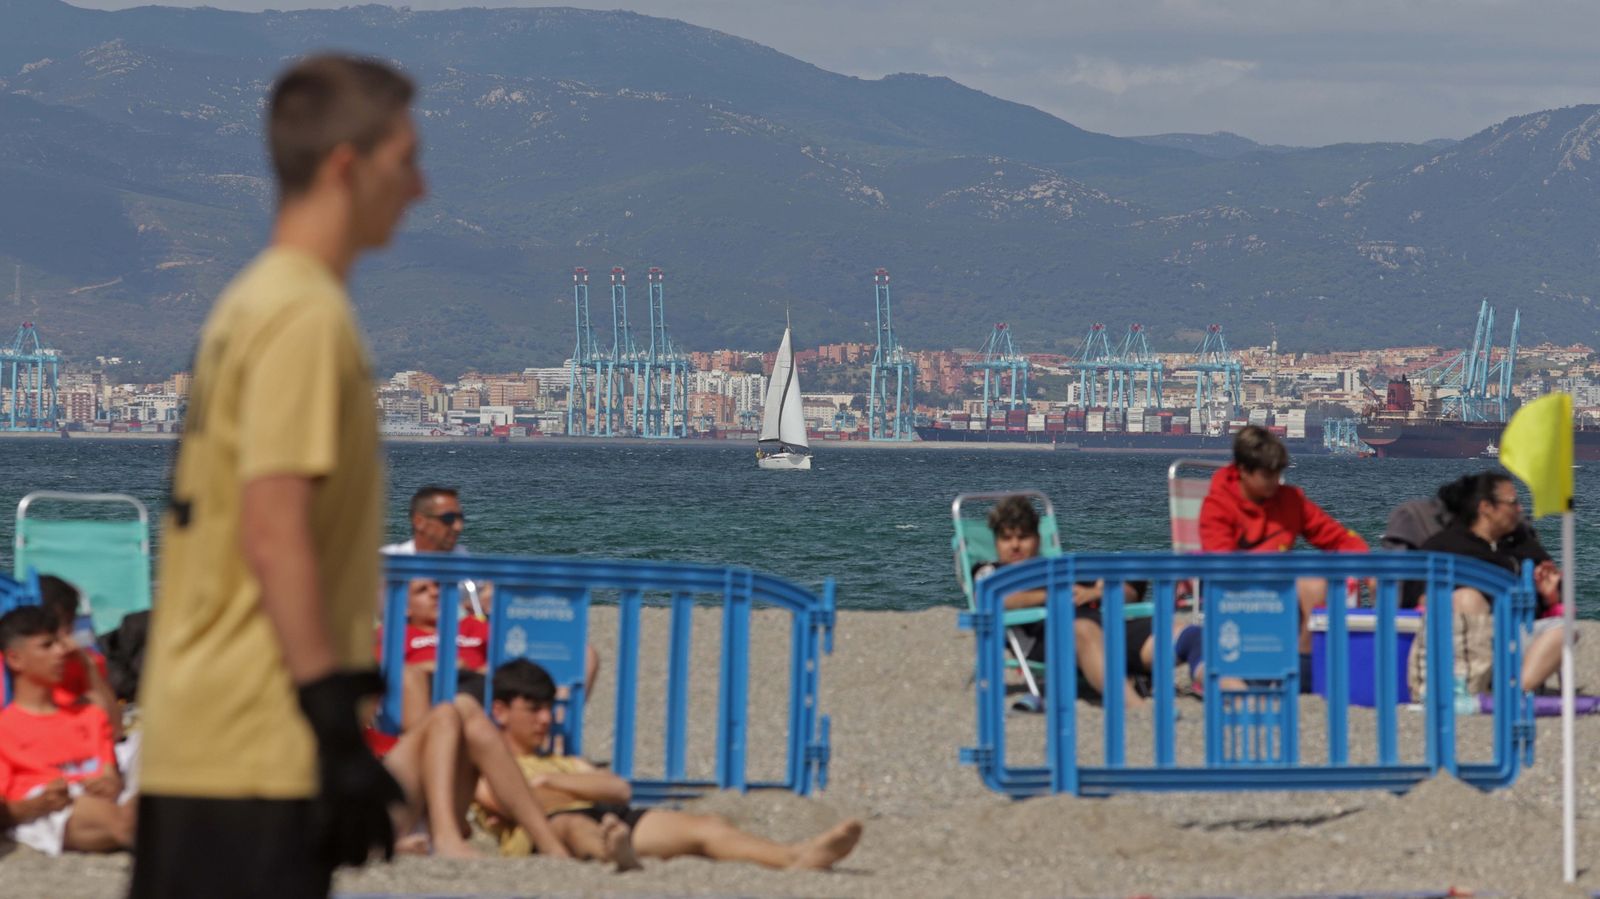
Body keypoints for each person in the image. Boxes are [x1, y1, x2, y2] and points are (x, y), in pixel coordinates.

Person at [130, 54, 426, 899]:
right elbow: (273, 524)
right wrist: (332, 723)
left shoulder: (253, 300)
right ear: (346, 166)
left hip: (210, 731)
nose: (420, 188)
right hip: (254, 741)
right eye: (405, 159)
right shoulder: (302, 314)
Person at [475, 659, 863, 870]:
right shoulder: (488, 765)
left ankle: (793, 856)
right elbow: (509, 801)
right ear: (501, 711)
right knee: (573, 825)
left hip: (612, 816)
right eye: (534, 710)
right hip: (549, 832)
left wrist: (546, 781)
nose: (545, 719)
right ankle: (615, 855)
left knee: (708, 827)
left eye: (548, 709)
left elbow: (618, 789)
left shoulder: (560, 760)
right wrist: (561, 788)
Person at [971, 495, 1204, 706]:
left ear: (1037, 539)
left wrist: (1097, 593)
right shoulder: (990, 572)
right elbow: (994, 598)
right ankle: (1137, 709)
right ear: (996, 542)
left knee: (1190, 634)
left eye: (1023, 537)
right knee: (1083, 629)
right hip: (1050, 640)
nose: (1015, 545)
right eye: (1006, 538)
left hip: (1109, 630)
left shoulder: (1059, 570)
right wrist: (1052, 595)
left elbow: (1130, 592)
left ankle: (1223, 691)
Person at [384, 486, 601, 700]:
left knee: (583, 655)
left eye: (461, 518)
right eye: (449, 518)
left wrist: (489, 598)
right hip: (426, 653)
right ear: (420, 521)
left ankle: (558, 730)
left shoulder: (462, 560)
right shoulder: (391, 561)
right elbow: (379, 615)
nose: (458, 526)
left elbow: (486, 598)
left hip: (476, 648)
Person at [1199, 425, 1369, 691]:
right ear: (1243, 470)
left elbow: (1336, 537)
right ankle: (1301, 671)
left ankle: (1304, 667)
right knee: (1311, 585)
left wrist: (1370, 571)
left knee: (1317, 585)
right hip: (1234, 595)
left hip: (1280, 591)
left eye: (1278, 472)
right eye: (1267, 474)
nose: (1275, 480)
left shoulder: (1289, 500)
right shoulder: (1218, 505)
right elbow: (1222, 564)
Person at [1412, 472, 1567, 693]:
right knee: (1468, 598)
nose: (1520, 509)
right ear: (1486, 507)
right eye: (1513, 503)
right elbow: (1414, 599)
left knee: (1565, 630)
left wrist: (1549, 596)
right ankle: (1471, 688)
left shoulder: (1523, 546)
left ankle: (1509, 694)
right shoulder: (1443, 547)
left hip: (1511, 638)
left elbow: (1548, 605)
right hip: (1455, 647)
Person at [0, 606, 135, 856]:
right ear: (15, 659)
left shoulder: (89, 715)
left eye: (60, 643)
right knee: (128, 821)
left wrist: (110, 781)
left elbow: (108, 766)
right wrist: (31, 806)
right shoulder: (5, 730)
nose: (62, 652)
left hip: (100, 800)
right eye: (47, 645)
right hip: (52, 809)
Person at [379, 699, 569, 859]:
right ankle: (445, 837)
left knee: (467, 708)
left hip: (407, 800)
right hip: (376, 817)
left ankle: (552, 846)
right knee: (444, 713)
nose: (546, 719)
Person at [35, 575, 120, 736]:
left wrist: (88, 667)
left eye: (70, 624)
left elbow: (115, 730)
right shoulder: (13, 664)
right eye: (64, 625)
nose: (68, 633)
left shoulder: (84, 660)